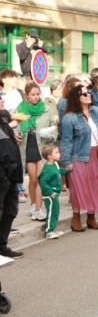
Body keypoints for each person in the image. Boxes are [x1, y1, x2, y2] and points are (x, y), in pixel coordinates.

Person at [60, 84, 98, 232]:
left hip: (97, 154)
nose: (88, 95)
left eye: (88, 93)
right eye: (84, 94)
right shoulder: (69, 118)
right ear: (76, 98)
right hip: (79, 155)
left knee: (96, 186)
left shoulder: (96, 111)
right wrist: (66, 162)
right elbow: (66, 141)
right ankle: (76, 218)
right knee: (78, 188)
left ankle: (91, 217)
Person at [17, 81, 48, 222]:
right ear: (26, 96)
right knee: (33, 179)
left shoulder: (46, 108)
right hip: (27, 143)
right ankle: (33, 204)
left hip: (42, 144)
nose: (36, 97)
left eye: (37, 94)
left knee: (40, 178)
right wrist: (16, 134)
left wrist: (50, 134)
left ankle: (38, 210)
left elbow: (53, 125)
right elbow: (14, 126)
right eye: (33, 94)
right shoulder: (20, 108)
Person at [0, 109, 23, 258]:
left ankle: (2, 247)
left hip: (11, 176)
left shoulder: (4, 119)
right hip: (3, 176)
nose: (2, 100)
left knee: (10, 211)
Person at [37, 145, 65, 238]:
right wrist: (50, 192)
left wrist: (65, 170)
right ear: (49, 156)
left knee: (55, 212)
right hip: (50, 195)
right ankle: (49, 231)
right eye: (56, 152)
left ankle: (51, 229)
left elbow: (57, 174)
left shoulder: (54, 165)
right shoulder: (47, 168)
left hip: (54, 193)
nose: (59, 154)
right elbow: (42, 181)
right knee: (52, 212)